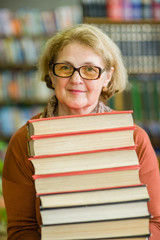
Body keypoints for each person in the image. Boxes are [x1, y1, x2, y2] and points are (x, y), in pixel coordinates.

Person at [2, 24, 160, 240]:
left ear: (107, 78)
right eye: (66, 68)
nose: (76, 79)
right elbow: (21, 230)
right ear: (52, 73)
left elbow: (155, 223)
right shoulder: (24, 141)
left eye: (89, 70)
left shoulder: (134, 138)